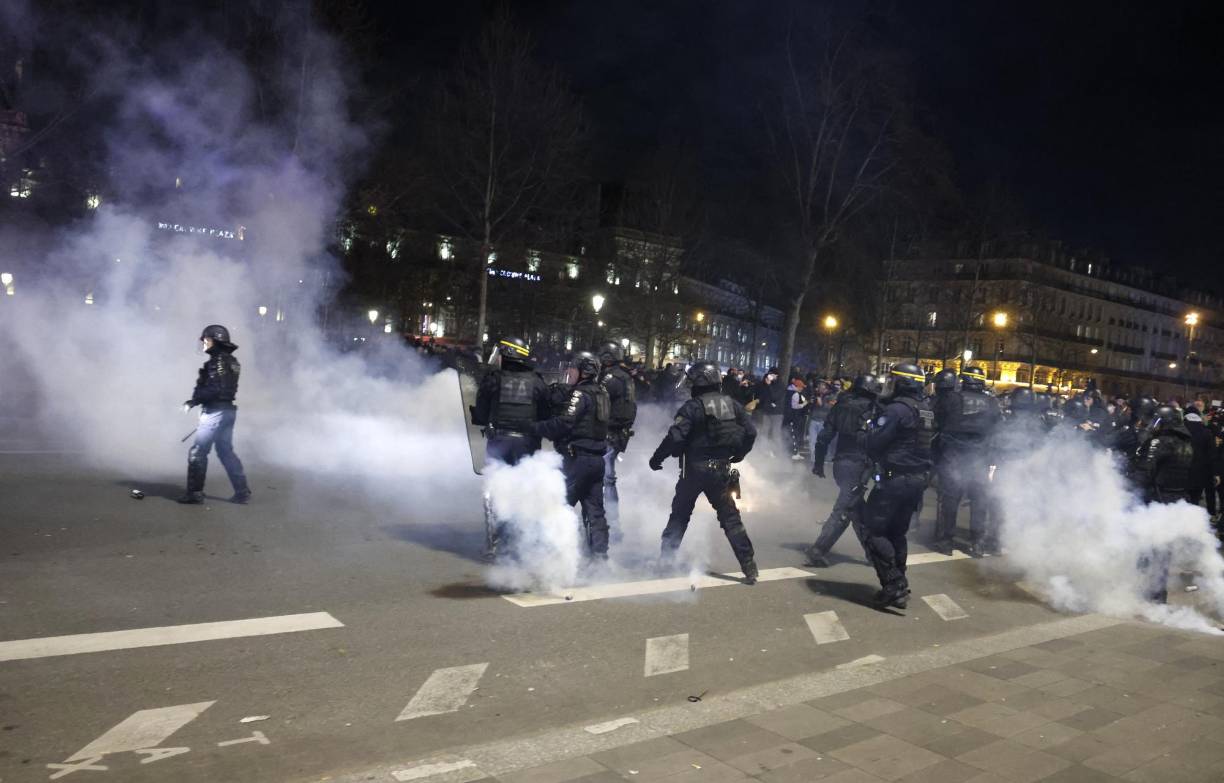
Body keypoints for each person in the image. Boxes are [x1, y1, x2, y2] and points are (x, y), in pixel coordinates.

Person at [650, 361, 759, 583]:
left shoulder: (693, 407)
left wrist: (657, 458)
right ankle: (749, 567)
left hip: (693, 470)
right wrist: (739, 455)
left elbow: (675, 437)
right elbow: (751, 432)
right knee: (730, 519)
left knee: (679, 517)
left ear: (700, 382)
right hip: (721, 470)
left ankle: (665, 564)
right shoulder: (732, 405)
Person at [857, 362, 935, 608]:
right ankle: (898, 582)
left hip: (895, 479)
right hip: (916, 480)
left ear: (901, 383)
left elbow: (874, 443)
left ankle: (894, 585)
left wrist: (866, 432)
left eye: (892, 380)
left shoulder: (896, 410)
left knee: (873, 530)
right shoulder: (926, 410)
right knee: (897, 533)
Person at [471, 336, 553, 559]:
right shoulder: (537, 382)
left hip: (499, 442)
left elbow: (480, 412)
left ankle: (496, 545)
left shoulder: (493, 379)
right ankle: (525, 544)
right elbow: (547, 414)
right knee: (525, 491)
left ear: (507, 354)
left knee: (496, 491)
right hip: (528, 444)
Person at [533, 351, 611, 561]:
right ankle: (599, 557)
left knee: (560, 505)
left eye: (574, 369)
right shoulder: (602, 392)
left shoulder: (581, 394)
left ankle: (554, 557)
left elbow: (564, 423)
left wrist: (535, 428)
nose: (570, 373)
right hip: (597, 460)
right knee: (595, 511)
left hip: (578, 459)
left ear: (584, 371)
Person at [805, 373, 881, 567]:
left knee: (857, 510)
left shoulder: (841, 405)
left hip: (841, 463)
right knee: (844, 509)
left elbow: (824, 437)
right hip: (859, 464)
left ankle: (873, 554)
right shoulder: (873, 408)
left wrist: (819, 463)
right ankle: (818, 549)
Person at [933, 365, 1001, 556]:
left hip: (953, 457)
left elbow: (937, 423)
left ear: (963, 379)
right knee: (979, 501)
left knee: (950, 500)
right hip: (980, 459)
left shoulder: (951, 399)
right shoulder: (992, 402)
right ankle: (977, 543)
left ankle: (946, 542)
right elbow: (997, 431)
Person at [179, 325, 251, 505]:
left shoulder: (217, 362)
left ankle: (195, 494)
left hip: (215, 412)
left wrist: (193, 402)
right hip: (227, 411)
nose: (204, 343)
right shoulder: (232, 361)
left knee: (198, 452)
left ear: (216, 341)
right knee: (225, 451)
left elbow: (215, 388)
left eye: (207, 340)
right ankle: (242, 491)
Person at [1134, 404, 1195, 602]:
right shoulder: (1186, 443)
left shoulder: (1159, 442)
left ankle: (1152, 592)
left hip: (1158, 500)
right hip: (1176, 500)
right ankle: (1157, 592)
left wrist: (1146, 437)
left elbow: (1146, 470)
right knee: (1164, 550)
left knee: (1152, 548)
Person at [596, 341, 638, 533]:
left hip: (608, 434)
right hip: (619, 434)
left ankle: (609, 525)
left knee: (604, 479)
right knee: (608, 479)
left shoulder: (610, 378)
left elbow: (597, 404)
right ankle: (613, 524)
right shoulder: (626, 377)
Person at [1184, 409, 1218, 518]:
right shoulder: (1206, 432)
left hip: (1180, 471)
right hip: (1199, 473)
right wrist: (1214, 473)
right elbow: (1212, 455)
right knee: (1194, 499)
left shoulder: (1181, 429)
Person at [754, 367, 784, 454]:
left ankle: (778, 452)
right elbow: (762, 394)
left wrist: (769, 385)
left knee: (775, 434)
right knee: (764, 432)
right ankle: (763, 450)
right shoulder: (765, 383)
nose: (770, 376)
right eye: (769, 374)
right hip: (766, 412)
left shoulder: (780, 385)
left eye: (772, 374)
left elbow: (775, 397)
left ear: (776, 375)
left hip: (777, 413)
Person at [783, 376, 809, 460]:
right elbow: (795, 406)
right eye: (801, 387)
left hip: (787, 416)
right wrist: (804, 404)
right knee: (793, 435)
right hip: (792, 417)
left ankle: (787, 451)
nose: (802, 389)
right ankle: (794, 453)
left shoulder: (788, 391)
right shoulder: (795, 394)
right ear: (797, 386)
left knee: (788, 434)